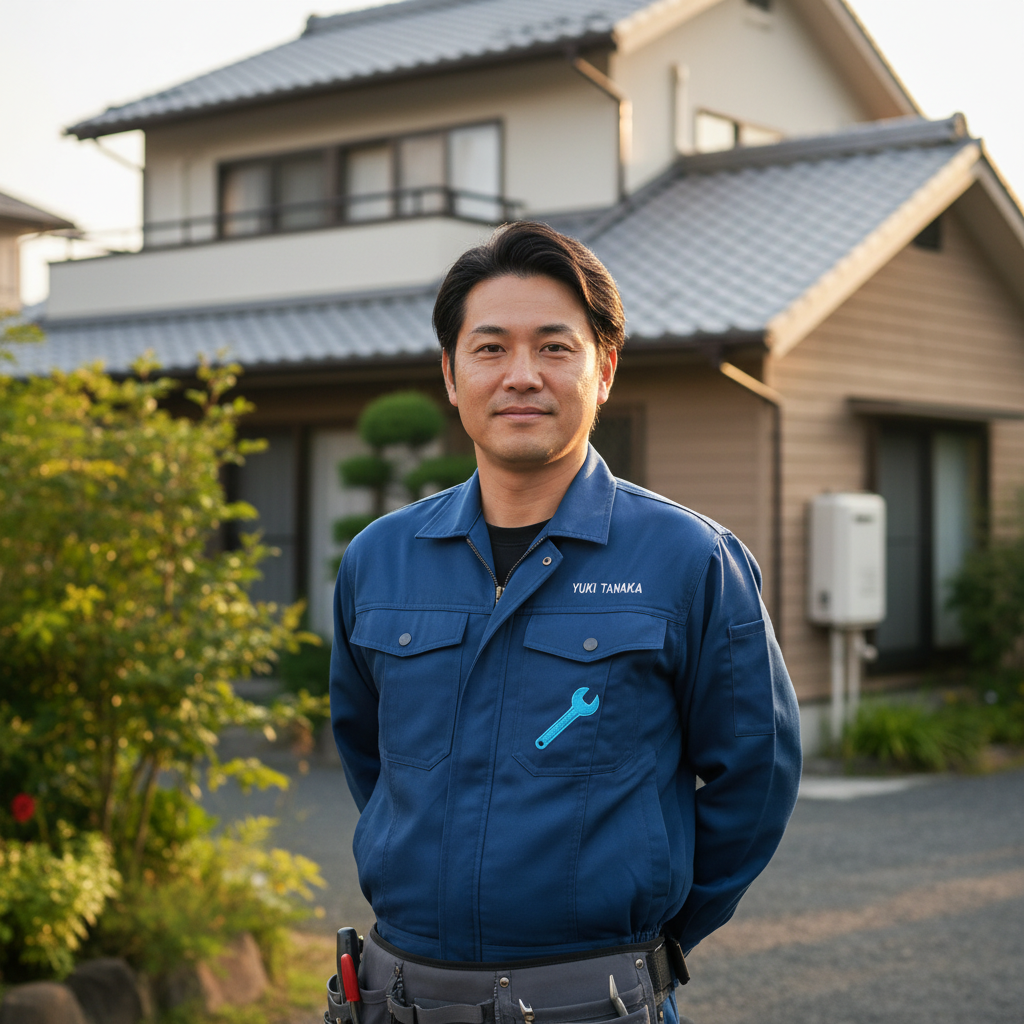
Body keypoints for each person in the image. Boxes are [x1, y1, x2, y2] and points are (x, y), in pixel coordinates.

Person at [329, 222, 801, 1024]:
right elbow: (370, 756)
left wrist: (648, 942)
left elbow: (754, 779)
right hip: (398, 993)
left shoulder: (690, 559)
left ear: (604, 370)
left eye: (554, 347)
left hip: (597, 1000)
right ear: (450, 375)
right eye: (489, 349)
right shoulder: (380, 558)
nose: (521, 376)